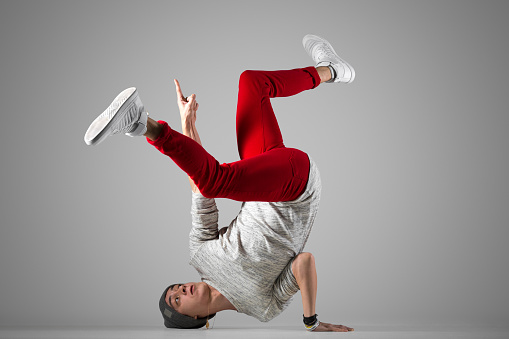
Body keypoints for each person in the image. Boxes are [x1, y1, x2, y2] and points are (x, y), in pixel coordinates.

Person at [84, 34, 355, 332]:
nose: (180, 290)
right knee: (217, 181)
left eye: (174, 288)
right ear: (195, 319)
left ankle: (330, 69)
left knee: (252, 83)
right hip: (296, 190)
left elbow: (200, 191)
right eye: (176, 301)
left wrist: (188, 124)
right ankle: (142, 123)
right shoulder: (262, 307)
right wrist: (310, 321)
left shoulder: (200, 256)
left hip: (267, 174)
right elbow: (304, 262)